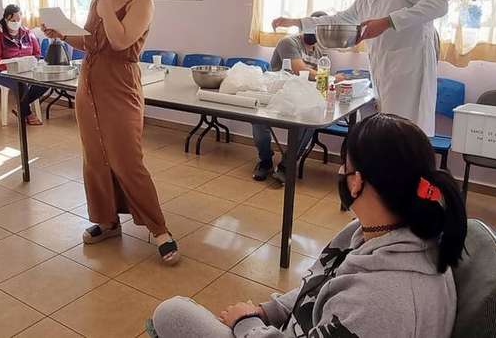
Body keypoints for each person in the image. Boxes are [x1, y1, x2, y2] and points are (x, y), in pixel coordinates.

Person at [152, 113, 468, 337]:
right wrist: (265, 312)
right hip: (290, 327)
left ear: (356, 182)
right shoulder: (374, 232)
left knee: (171, 313)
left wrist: (246, 324)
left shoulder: (382, 304)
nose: (340, 173)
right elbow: (315, 286)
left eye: (345, 165)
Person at [43, 0, 180, 265]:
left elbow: (120, 41)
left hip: (120, 85)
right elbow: (93, 41)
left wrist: (106, 0)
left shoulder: (141, 2)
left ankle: (159, 228)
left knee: (127, 159)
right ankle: (107, 221)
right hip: (89, 84)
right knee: (96, 157)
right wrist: (62, 34)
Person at [272, 0, 448, 136]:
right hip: (385, 69)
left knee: (406, 133)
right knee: (389, 132)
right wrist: (296, 22)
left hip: (410, 68)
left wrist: (387, 22)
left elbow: (438, 3)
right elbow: (339, 19)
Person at [252, 11, 328, 183]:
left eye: (319, 30)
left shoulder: (321, 54)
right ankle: (265, 161)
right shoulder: (288, 42)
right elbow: (298, 68)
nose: (314, 34)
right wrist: (327, 77)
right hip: (275, 94)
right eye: (312, 28)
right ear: (304, 28)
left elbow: (322, 79)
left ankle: (287, 165)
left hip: (299, 98)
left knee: (310, 121)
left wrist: (327, 79)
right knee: (258, 120)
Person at [0, 4, 48, 126]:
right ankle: (27, 113)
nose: (15, 22)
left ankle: (19, 107)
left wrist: (30, 63)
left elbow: (37, 53)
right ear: (5, 19)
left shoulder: (27, 33)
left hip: (26, 70)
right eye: (12, 20)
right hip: (2, 72)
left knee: (45, 81)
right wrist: (12, 68)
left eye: (18, 20)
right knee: (21, 84)